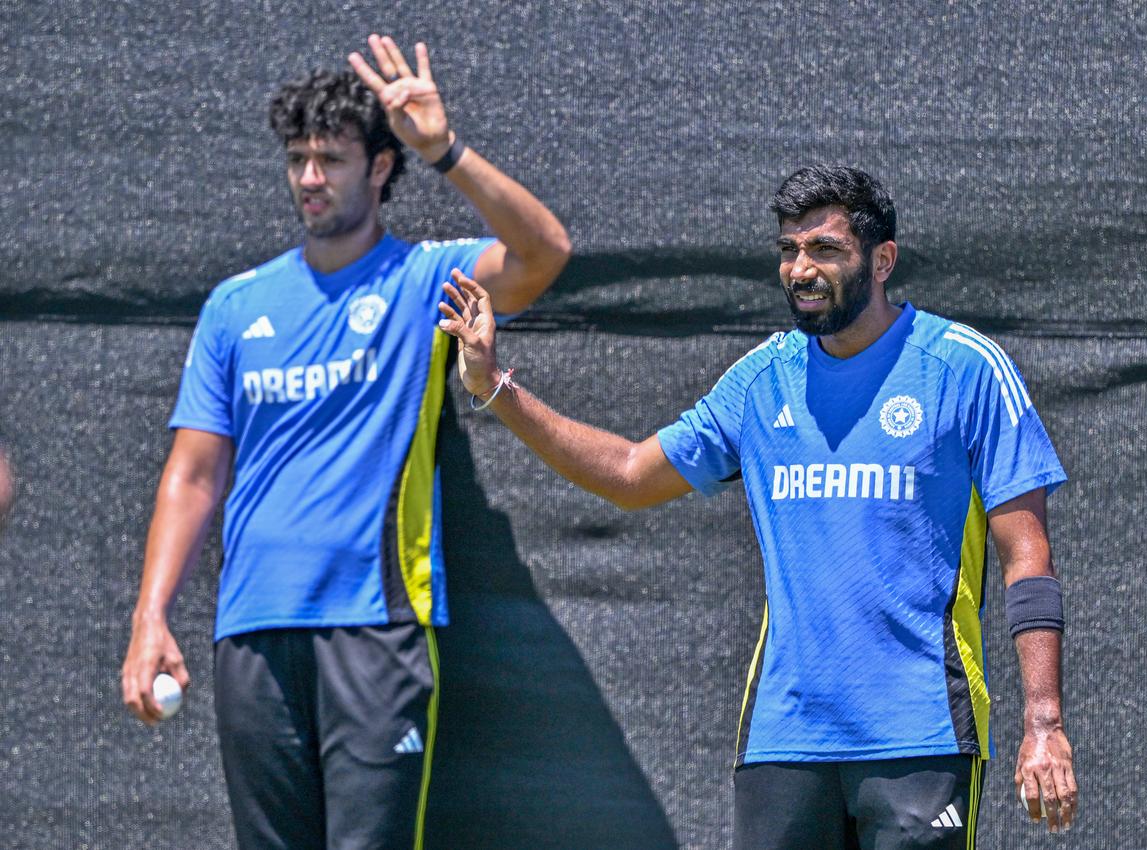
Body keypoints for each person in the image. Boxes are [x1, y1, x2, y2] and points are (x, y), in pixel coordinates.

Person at [438, 165, 1077, 849]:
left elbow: (1027, 557)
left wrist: (1043, 723)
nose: (801, 269)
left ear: (882, 260)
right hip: (782, 738)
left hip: (920, 733)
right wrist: (496, 387)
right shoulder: (761, 379)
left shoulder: (966, 368)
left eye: (824, 250)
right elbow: (628, 472)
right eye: (788, 250)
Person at [121, 34, 570, 850]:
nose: (309, 179)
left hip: (377, 625)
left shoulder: (427, 279)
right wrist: (150, 615)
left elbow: (546, 253)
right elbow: (191, 475)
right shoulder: (235, 305)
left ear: (381, 169)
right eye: (297, 159)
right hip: (251, 632)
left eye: (329, 158)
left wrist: (447, 150)